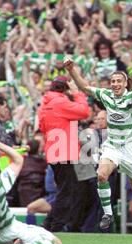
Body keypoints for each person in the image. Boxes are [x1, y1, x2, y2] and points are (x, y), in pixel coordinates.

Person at [64, 58, 132, 233]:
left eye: (118, 81)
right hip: (112, 145)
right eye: (112, 81)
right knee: (101, 176)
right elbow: (85, 88)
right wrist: (71, 70)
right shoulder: (106, 95)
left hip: (130, 148)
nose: (115, 84)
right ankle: (108, 214)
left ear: (126, 83)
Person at [38, 75, 91, 232]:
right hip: (64, 152)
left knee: (66, 190)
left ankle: (52, 224)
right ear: (66, 88)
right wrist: (78, 94)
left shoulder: (45, 104)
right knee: (67, 192)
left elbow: (42, 127)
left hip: (53, 150)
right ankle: (52, 225)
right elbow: (84, 112)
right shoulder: (60, 102)